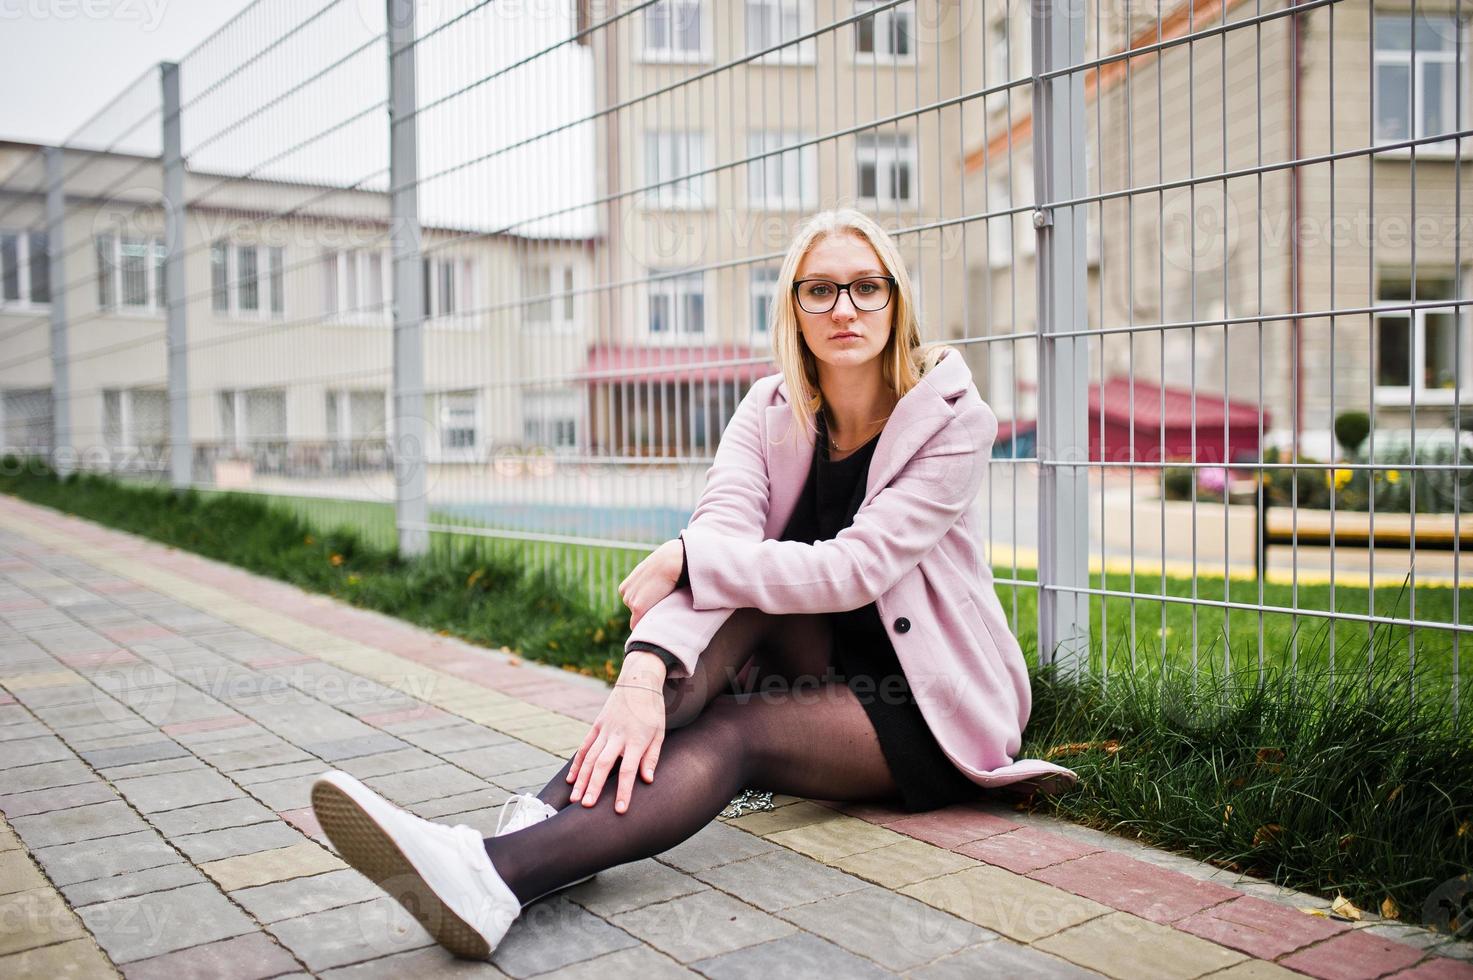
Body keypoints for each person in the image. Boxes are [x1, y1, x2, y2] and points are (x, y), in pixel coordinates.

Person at [310, 208, 1079, 961]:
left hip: (925, 706)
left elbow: (854, 571)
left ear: (895, 300)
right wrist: (642, 674)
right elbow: (717, 542)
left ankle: (498, 867)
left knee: (730, 730)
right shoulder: (767, 409)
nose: (844, 308)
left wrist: (691, 558)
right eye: (819, 290)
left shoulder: (952, 417)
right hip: (811, 663)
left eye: (865, 287)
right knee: (729, 586)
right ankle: (518, 838)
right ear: (793, 309)